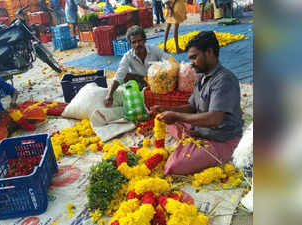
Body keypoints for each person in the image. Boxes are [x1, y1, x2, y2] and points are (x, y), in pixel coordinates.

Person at [152, 31, 243, 175]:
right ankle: (190, 140)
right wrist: (167, 108)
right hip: (201, 127)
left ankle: (194, 145)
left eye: (194, 57)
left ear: (209, 52)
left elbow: (215, 119)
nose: (191, 63)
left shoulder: (224, 80)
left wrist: (176, 116)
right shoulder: (201, 76)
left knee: (173, 167)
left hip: (221, 138)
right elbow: (192, 107)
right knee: (167, 120)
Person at [104, 25, 169, 107]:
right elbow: (119, 75)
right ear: (130, 44)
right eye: (134, 42)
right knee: (126, 76)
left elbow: (170, 61)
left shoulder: (154, 50)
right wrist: (110, 94)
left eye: (140, 41)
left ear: (144, 40)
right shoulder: (127, 56)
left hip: (157, 83)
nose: (137, 44)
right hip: (140, 84)